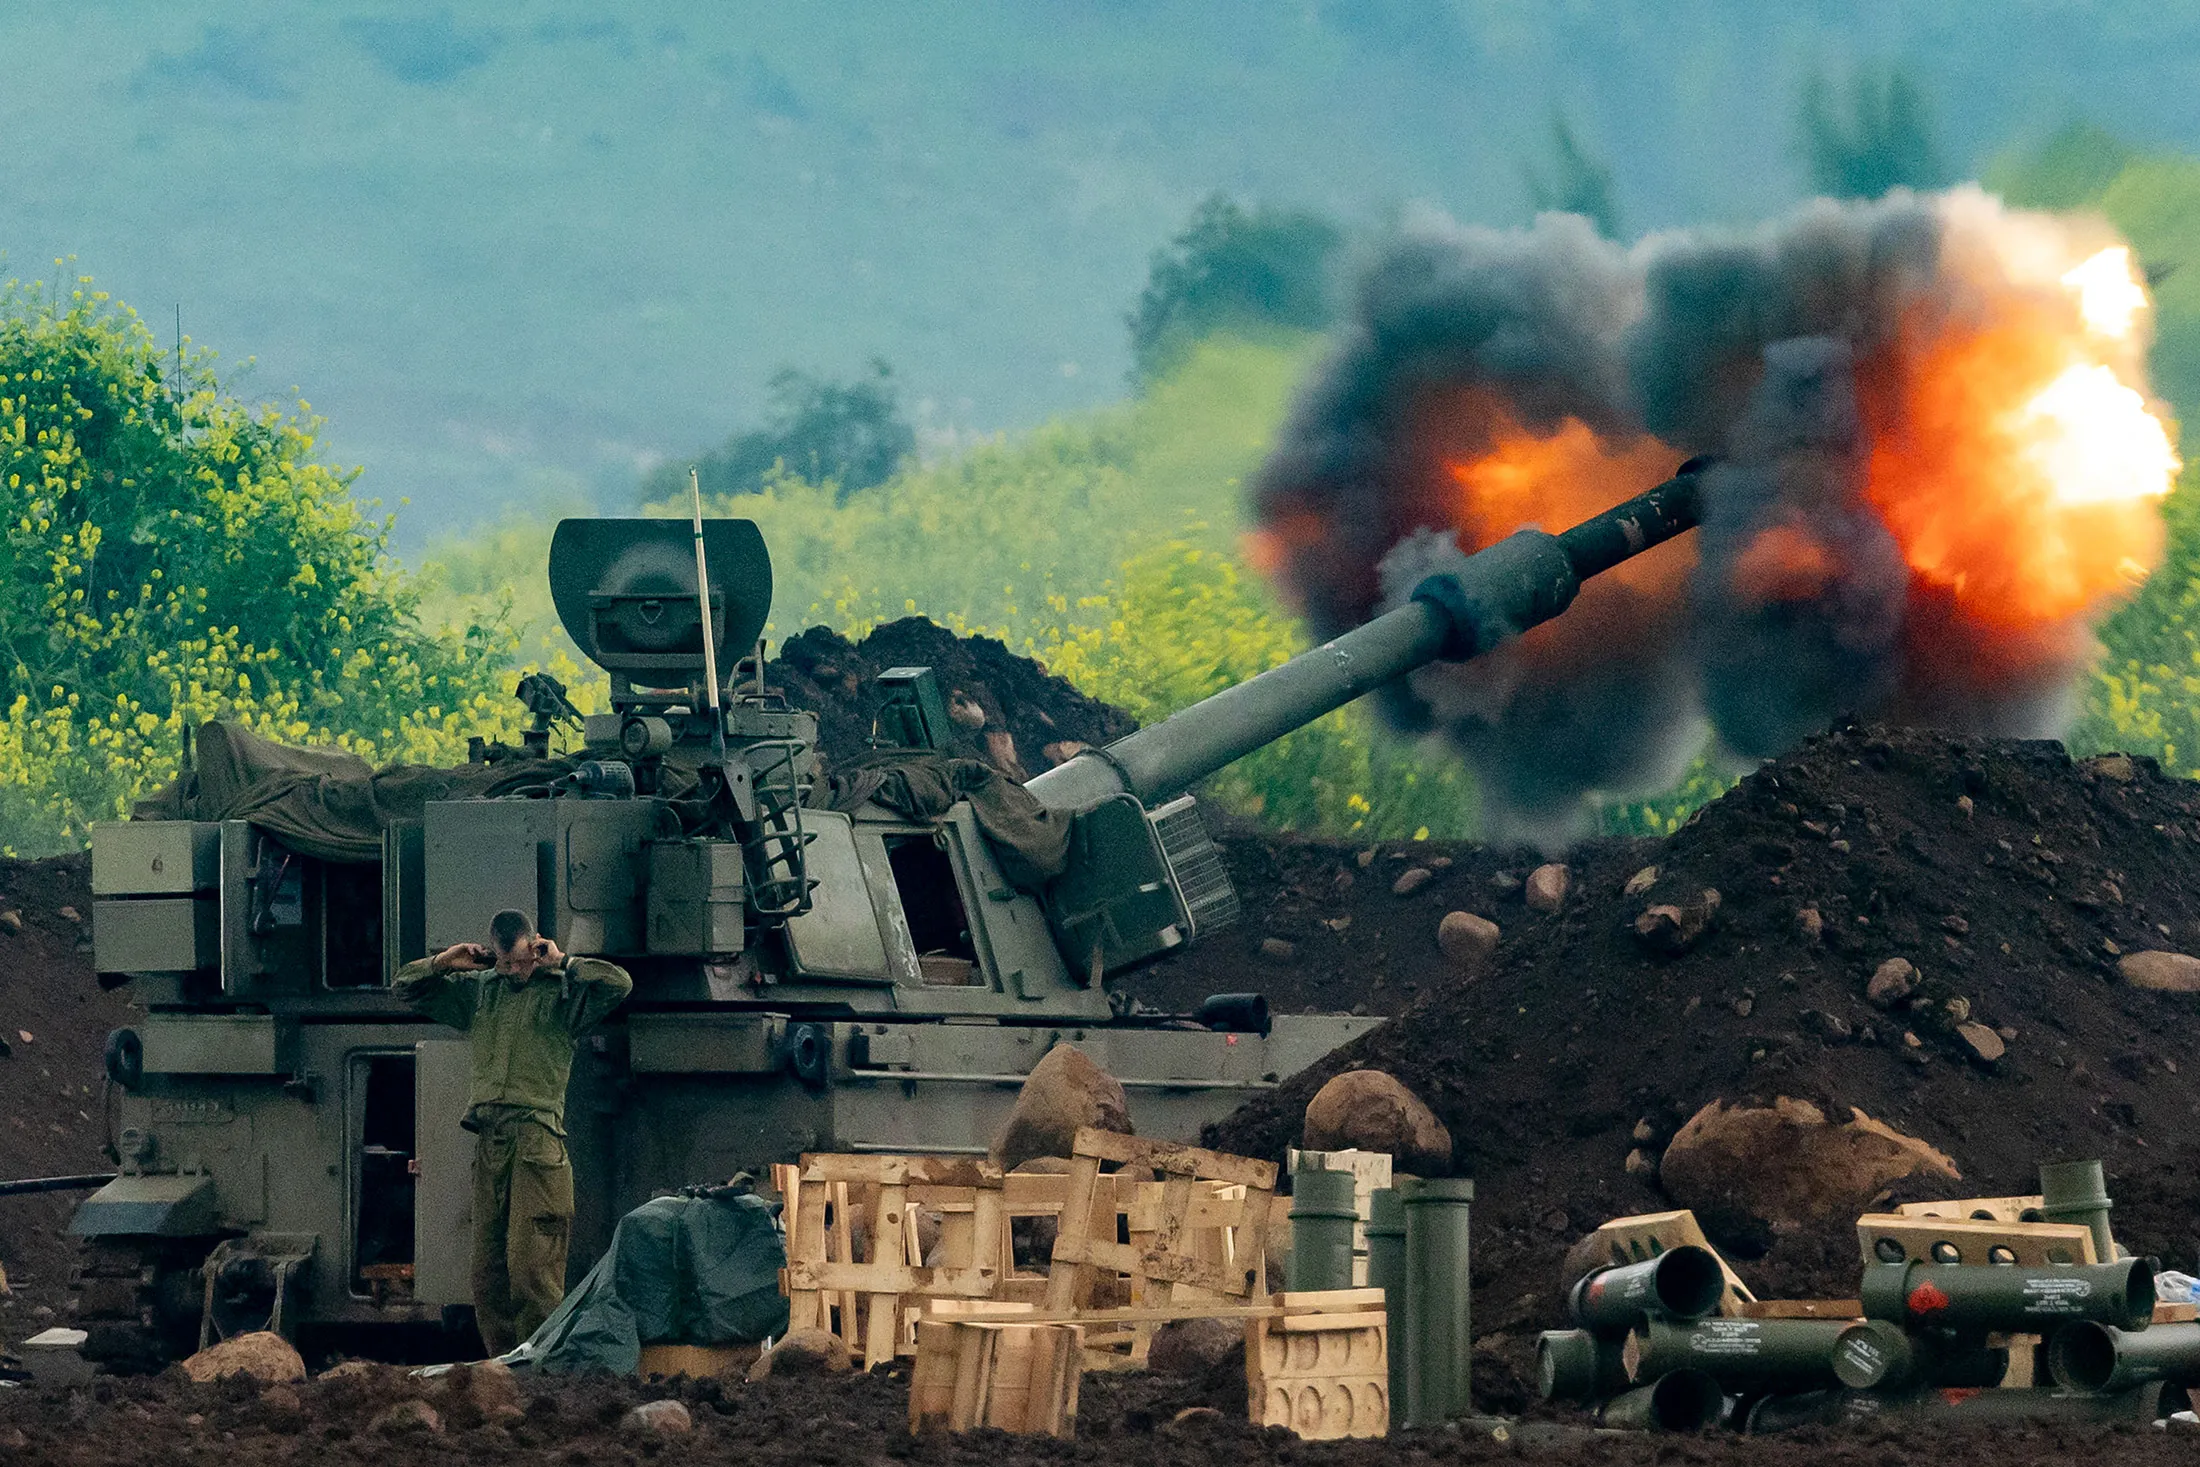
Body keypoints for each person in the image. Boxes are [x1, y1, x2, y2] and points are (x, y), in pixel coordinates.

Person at [394, 909, 632, 1355]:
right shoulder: (481, 994)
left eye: (522, 961)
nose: (515, 971)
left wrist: (563, 962)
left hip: (537, 1142)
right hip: (491, 1142)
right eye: (506, 964)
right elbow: (405, 987)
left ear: (535, 946)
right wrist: (445, 961)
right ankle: (504, 1368)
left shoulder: (564, 995)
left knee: (532, 1269)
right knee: (488, 1272)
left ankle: (539, 1370)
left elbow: (618, 984)